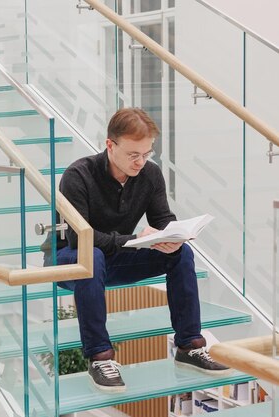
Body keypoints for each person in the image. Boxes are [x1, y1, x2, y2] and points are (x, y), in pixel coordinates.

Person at [45, 108, 230, 392]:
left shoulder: (150, 174)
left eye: (147, 153)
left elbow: (162, 219)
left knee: (181, 254)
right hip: (69, 260)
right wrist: (132, 238)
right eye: (133, 155)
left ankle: (188, 345)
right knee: (91, 255)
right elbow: (78, 238)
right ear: (110, 145)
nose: (141, 162)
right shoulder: (77, 176)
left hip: (116, 257)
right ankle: (99, 357)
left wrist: (173, 235)